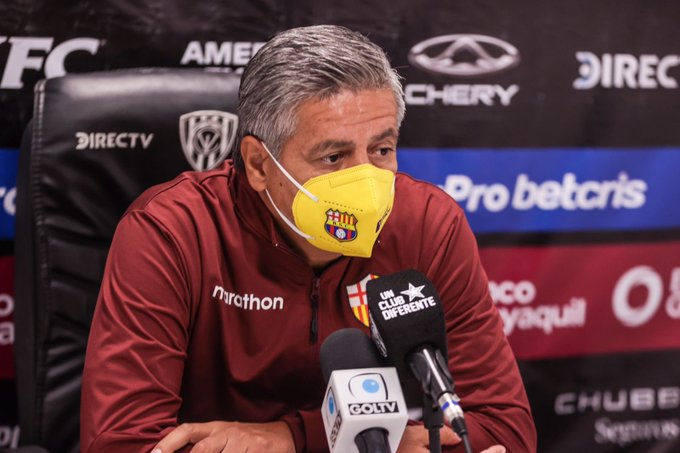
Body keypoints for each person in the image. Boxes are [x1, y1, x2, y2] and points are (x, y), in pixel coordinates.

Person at [80, 25, 536, 453]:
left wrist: (292, 439)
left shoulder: (428, 225)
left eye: (381, 149)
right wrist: (372, 443)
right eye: (334, 156)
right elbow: (121, 443)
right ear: (259, 165)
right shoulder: (171, 231)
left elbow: (505, 430)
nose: (366, 181)